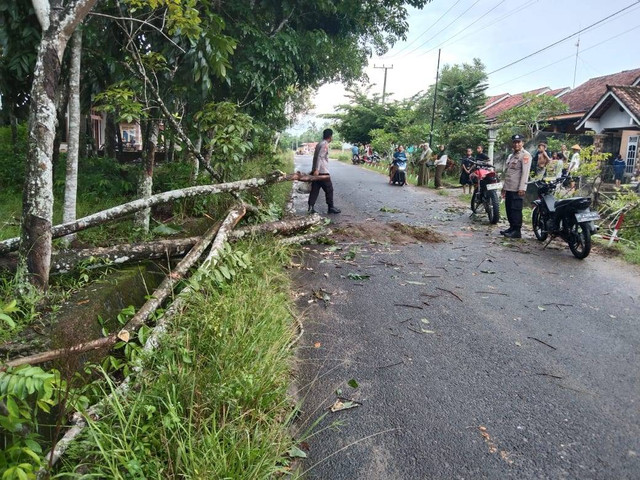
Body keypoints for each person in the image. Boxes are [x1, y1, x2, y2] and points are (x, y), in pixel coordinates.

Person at [500, 134, 531, 239]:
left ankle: (517, 231)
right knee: (509, 208)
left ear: (522, 143)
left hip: (517, 188)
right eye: (515, 142)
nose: (516, 144)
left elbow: (525, 173)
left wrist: (522, 188)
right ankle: (511, 228)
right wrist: (504, 188)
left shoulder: (525, 155)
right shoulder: (512, 155)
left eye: (519, 142)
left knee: (516, 209)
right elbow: (509, 173)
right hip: (509, 187)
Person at [309, 128, 341, 214]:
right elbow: (320, 157)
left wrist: (314, 169)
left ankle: (310, 207)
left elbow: (316, 157)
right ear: (330, 136)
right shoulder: (325, 144)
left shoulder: (319, 143)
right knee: (329, 189)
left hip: (316, 171)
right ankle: (330, 207)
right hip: (322, 172)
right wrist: (317, 169)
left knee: (315, 189)